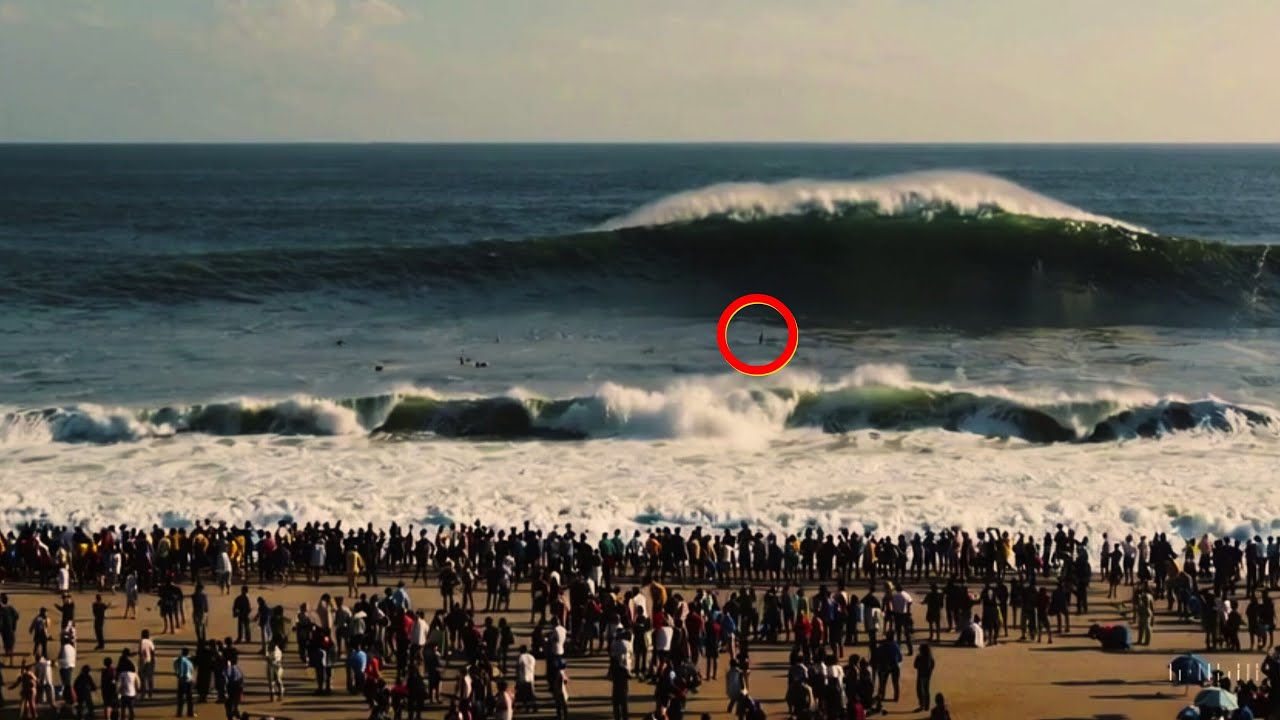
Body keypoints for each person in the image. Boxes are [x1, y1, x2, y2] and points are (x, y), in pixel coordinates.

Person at [913, 644, 935, 712]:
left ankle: (921, 705)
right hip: (927, 676)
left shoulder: (919, 657)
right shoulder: (930, 658)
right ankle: (927, 705)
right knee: (926, 690)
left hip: (920, 675)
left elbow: (915, 666)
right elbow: (933, 666)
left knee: (920, 690)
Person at [174, 647, 196, 717]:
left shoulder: (180, 659)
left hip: (183, 680)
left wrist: (178, 675)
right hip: (186, 680)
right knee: (189, 697)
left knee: (181, 697)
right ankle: (190, 712)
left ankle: (180, 713)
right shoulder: (186, 660)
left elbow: (175, 666)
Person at [516, 645, 538, 712]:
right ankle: (535, 706)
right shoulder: (532, 657)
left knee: (524, 694)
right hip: (531, 677)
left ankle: (527, 707)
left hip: (523, 678)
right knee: (532, 694)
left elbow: (518, 667)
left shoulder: (521, 657)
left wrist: (517, 678)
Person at [0, 594, 20, 665]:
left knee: (8, 645)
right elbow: (17, 616)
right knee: (9, 645)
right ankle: (8, 661)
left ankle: (7, 661)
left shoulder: (6, 608)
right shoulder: (10, 608)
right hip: (8, 629)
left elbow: (17, 616)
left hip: (6, 629)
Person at [137, 629, 156, 699]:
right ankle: (150, 693)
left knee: (142, 678)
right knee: (150, 678)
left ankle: (143, 693)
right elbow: (153, 652)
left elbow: (140, 651)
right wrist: (153, 661)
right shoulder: (150, 642)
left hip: (143, 662)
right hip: (150, 661)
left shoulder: (141, 642)